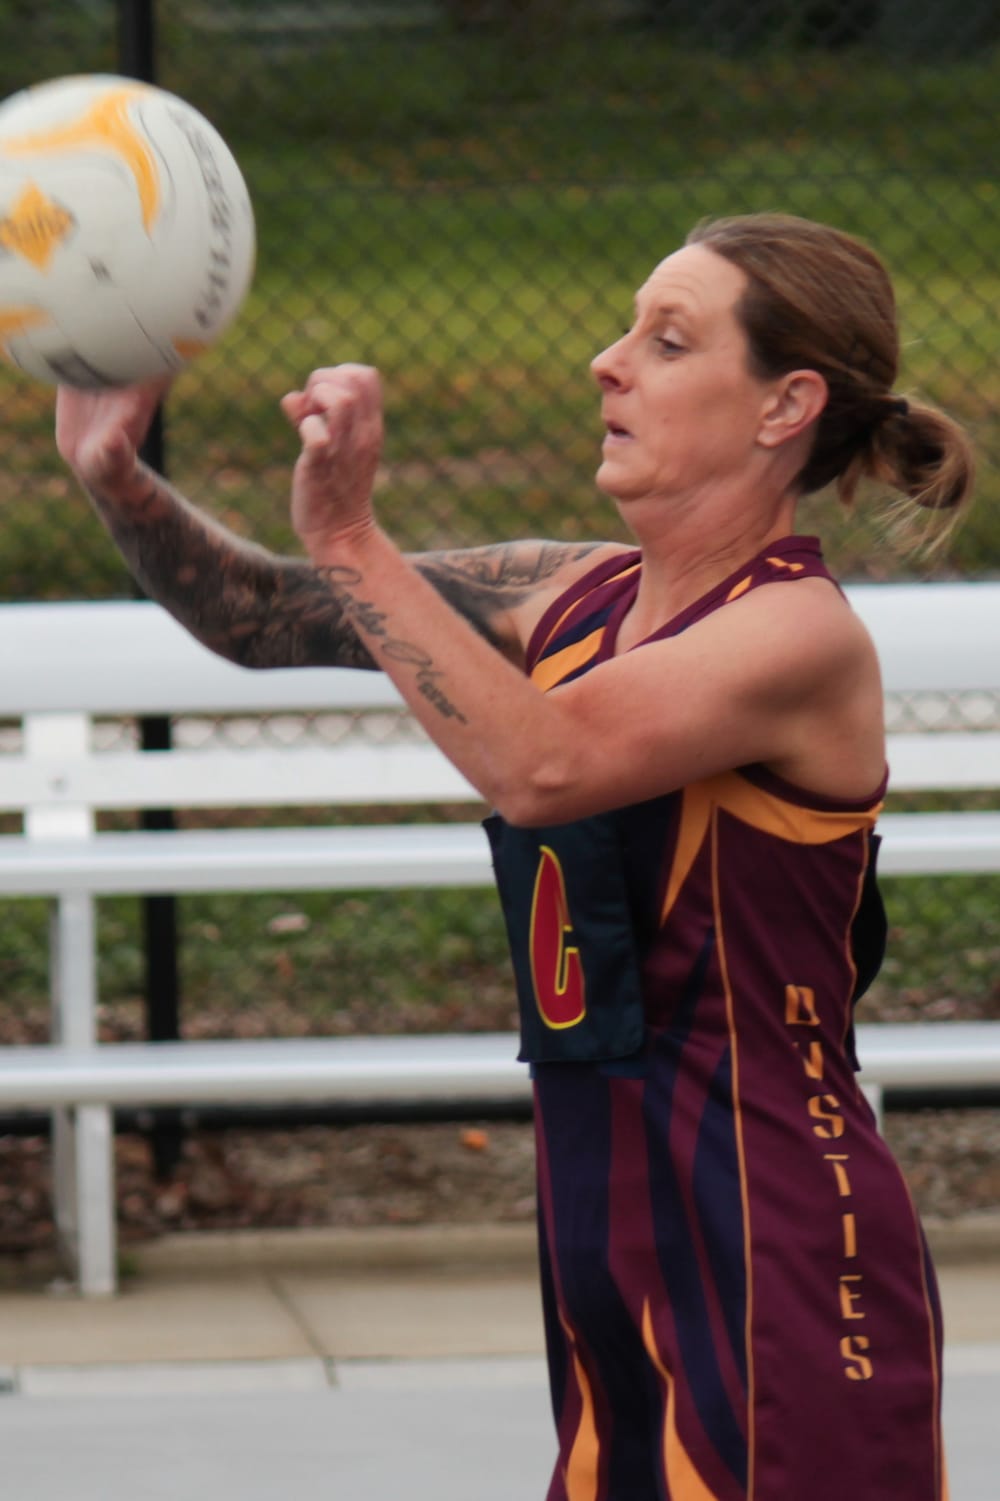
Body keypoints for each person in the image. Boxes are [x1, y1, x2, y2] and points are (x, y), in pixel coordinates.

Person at [56, 212, 974, 1500]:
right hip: (607, 1238)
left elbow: (544, 769)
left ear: (787, 406)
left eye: (666, 340)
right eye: (626, 330)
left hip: (772, 1250)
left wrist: (354, 537)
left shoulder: (793, 637)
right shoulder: (571, 592)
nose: (608, 362)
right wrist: (116, 476)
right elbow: (263, 618)